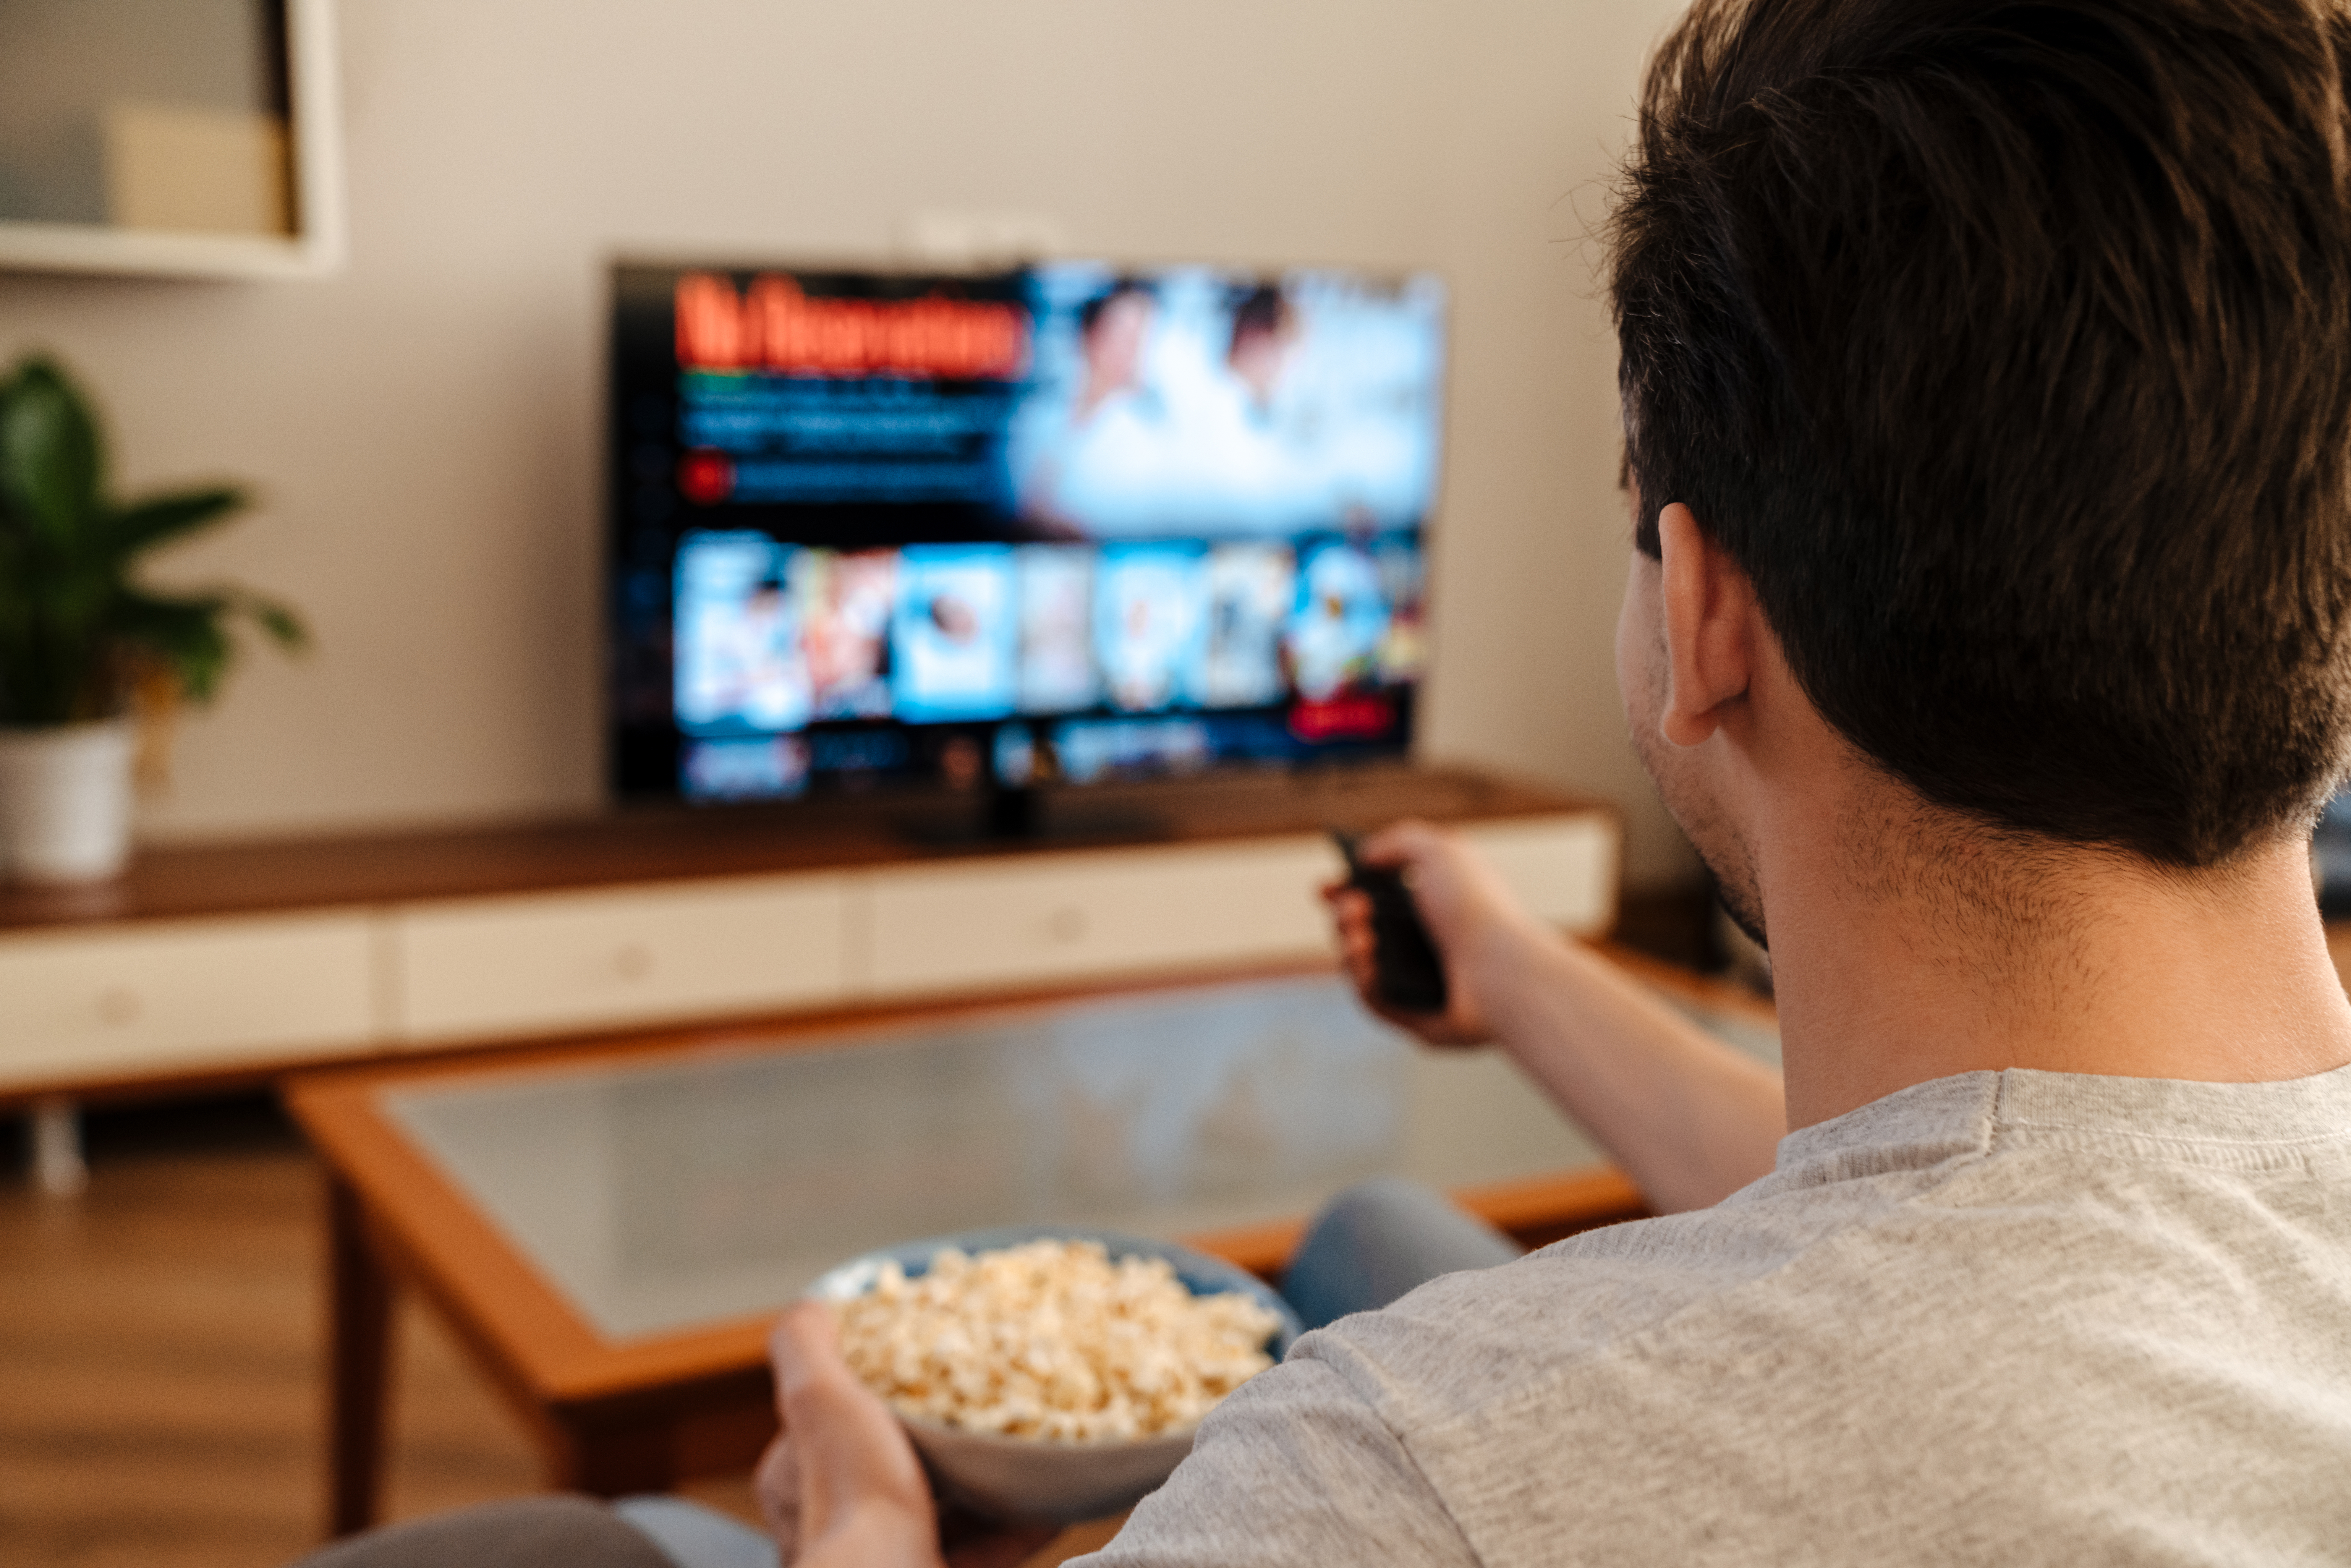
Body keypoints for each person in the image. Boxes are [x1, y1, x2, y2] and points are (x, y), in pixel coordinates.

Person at [298, 0, 2351, 1561]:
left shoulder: (1403, 1472)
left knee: (616, 1542)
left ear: (1705, 610)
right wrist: (1520, 972)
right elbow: (1972, 1205)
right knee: (1377, 1210)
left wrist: (855, 1519)